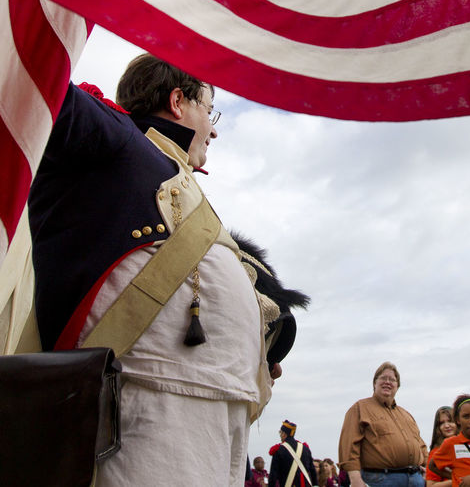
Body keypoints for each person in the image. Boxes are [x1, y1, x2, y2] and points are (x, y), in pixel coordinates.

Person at [28, 55, 304, 486]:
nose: (214, 129)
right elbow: (30, 89)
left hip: (215, 414)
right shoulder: (115, 135)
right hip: (149, 405)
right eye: (209, 110)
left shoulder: (175, 177)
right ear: (178, 101)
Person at [338, 362, 428, 487]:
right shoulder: (360, 408)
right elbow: (349, 446)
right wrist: (355, 479)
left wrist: (427, 469)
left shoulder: (406, 414)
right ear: (374, 383)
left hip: (416, 480)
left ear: (397, 386)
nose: (387, 382)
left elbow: (421, 445)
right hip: (381, 480)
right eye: (383, 378)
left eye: (392, 379)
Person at [268, 420, 317, 487]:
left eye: (280, 432)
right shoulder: (305, 449)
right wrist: (316, 485)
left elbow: (273, 475)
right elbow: (312, 471)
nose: (280, 435)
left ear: (284, 434)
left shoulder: (279, 450)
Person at [427, 406, 457, 487]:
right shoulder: (436, 453)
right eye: (442, 423)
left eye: (450, 421)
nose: (446, 425)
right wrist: (457, 480)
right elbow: (431, 485)